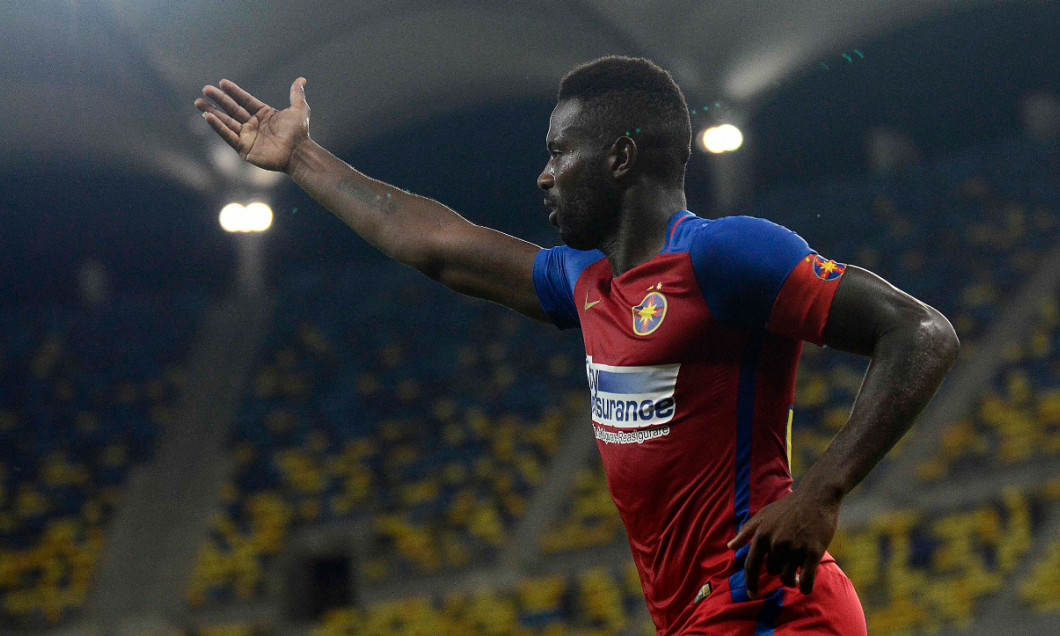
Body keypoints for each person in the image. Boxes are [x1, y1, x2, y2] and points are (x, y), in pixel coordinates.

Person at [195, 56, 958, 635]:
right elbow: (437, 244)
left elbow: (919, 331)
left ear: (621, 158)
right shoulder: (585, 283)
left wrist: (821, 490)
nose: (543, 176)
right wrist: (302, 159)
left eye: (560, 153)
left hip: (768, 608)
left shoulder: (724, 256)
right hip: (698, 617)